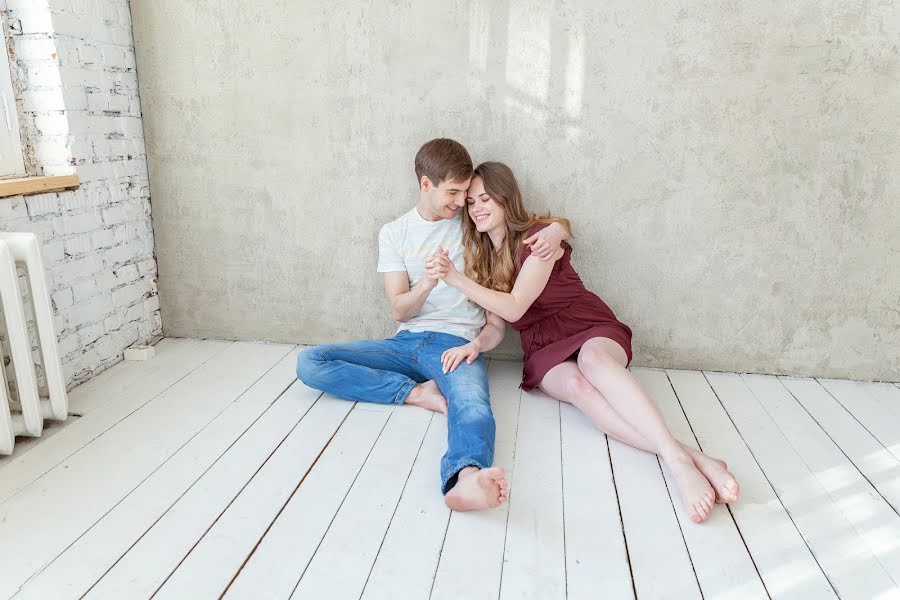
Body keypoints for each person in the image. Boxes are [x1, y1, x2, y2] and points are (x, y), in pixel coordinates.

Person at [425, 161, 740, 523]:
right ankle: (693, 457)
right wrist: (476, 345)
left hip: (585, 323)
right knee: (578, 387)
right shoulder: (482, 260)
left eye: (486, 199)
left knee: (592, 363)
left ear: (504, 200)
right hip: (542, 346)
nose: (477, 208)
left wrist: (455, 278)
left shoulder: (538, 239)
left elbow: (515, 307)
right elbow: (498, 325)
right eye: (471, 203)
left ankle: (678, 463)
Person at [295, 141, 567, 511]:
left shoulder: (473, 225)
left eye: (466, 194)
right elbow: (399, 311)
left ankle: (466, 475)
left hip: (455, 344)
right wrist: (426, 282)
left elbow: (528, 227)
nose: (462, 203)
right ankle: (414, 393)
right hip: (404, 343)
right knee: (310, 362)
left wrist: (557, 231)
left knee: (471, 403)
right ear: (426, 185)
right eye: (453, 193)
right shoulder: (394, 233)